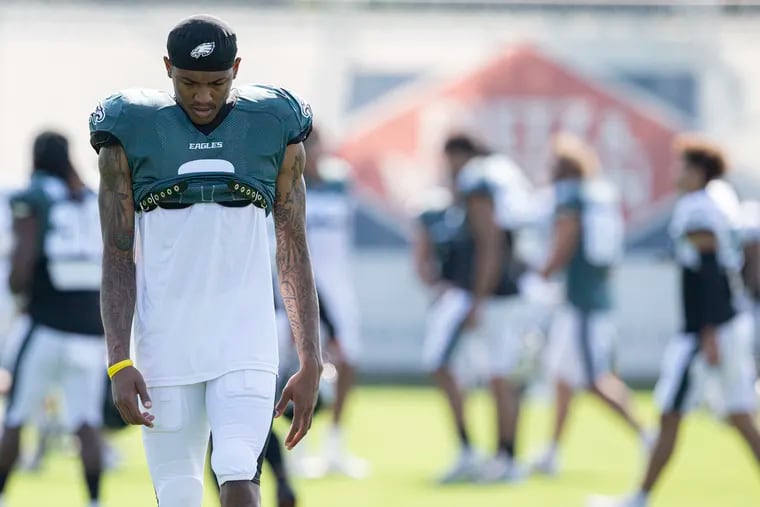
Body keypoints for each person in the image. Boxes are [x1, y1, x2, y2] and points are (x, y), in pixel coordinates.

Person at [89, 15, 322, 507]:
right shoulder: (129, 130)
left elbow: (293, 247)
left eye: (216, 83)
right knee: (178, 494)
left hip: (246, 341)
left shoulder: (273, 124)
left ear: (237, 69)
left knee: (239, 477)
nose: (202, 97)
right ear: (166, 68)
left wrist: (311, 359)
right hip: (164, 344)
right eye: (188, 82)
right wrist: (117, 361)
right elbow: (117, 254)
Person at [589, 137, 760, 507]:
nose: (675, 173)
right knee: (741, 416)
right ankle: (640, 495)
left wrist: (709, 330)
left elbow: (710, 269)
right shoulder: (720, 198)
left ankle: (640, 496)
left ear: (697, 171)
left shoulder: (698, 207)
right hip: (729, 321)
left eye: (682, 166)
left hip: (706, 328)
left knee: (670, 412)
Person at [416, 135, 534, 483]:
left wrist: (478, 298)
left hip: (490, 295)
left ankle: (496, 455)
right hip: (495, 293)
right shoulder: (496, 176)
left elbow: (490, 243)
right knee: (496, 375)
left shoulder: (479, 181)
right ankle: (501, 457)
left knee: (488, 374)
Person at [532, 133, 650, 476]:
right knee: (561, 378)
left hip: (583, 303)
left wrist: (543, 270)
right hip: (585, 300)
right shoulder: (600, 197)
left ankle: (647, 435)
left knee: (594, 379)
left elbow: (564, 240)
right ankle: (552, 451)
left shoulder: (575, 200)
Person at [0, 131, 105, 507]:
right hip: (92, 330)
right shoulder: (90, 198)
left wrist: (16, 286)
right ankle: (94, 501)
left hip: (46, 324)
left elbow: (23, 262)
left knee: (16, 419)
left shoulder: (34, 196)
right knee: (86, 421)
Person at [300, 128, 367, 477]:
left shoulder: (341, 181)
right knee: (298, 365)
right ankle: (299, 446)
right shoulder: (293, 185)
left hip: (339, 288)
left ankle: (336, 444)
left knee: (348, 360)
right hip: (303, 290)